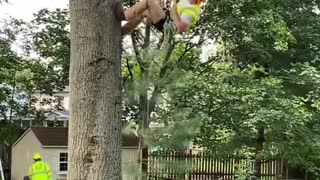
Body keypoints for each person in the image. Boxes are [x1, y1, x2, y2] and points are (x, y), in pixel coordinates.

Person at [115, 0, 204, 35]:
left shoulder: (191, 10)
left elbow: (181, 28)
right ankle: (124, 30)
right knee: (144, 12)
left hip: (167, 24)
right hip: (166, 21)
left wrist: (173, 13)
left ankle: (124, 15)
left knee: (149, 2)